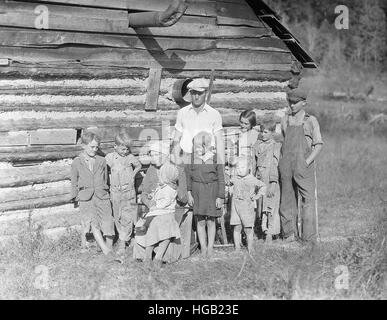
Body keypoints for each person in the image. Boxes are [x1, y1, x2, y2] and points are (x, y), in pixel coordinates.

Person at [279, 87, 323, 244]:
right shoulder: (285, 120)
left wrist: (306, 162)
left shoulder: (310, 120)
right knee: (287, 199)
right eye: (290, 102)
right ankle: (289, 234)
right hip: (286, 165)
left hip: (303, 165)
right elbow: (285, 140)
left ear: (304, 103)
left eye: (295, 103)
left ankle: (308, 238)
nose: (291, 106)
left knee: (308, 201)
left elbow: (318, 145)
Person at [133, 140, 187, 265]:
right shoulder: (152, 169)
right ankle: (147, 256)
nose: (152, 159)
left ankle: (158, 256)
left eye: (155, 155)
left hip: (170, 209)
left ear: (164, 155)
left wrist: (173, 189)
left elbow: (182, 197)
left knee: (161, 221)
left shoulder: (176, 169)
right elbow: (144, 193)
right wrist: (149, 203)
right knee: (150, 222)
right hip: (153, 208)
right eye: (151, 155)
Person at [70, 131, 115, 255]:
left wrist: (105, 190)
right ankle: (86, 246)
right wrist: (74, 197)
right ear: (83, 145)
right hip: (86, 196)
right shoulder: (77, 162)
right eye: (92, 147)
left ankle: (108, 247)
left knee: (107, 220)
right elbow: (74, 181)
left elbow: (105, 178)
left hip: (101, 194)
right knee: (89, 221)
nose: (95, 149)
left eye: (97, 147)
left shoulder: (101, 160)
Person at [185, 131, 225, 258]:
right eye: (195, 147)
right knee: (200, 221)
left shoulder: (215, 158)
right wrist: (189, 194)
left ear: (207, 146)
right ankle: (203, 248)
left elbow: (221, 178)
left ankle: (210, 248)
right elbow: (188, 178)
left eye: (199, 147)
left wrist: (220, 196)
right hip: (197, 192)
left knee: (211, 221)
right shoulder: (191, 159)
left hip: (212, 191)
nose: (196, 149)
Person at [135, 163, 181, 269]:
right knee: (149, 228)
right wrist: (152, 196)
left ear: (165, 177)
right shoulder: (163, 186)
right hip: (159, 214)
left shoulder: (170, 189)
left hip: (164, 213)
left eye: (160, 175)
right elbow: (157, 196)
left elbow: (165, 202)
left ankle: (157, 257)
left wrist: (155, 205)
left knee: (156, 229)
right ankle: (148, 256)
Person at [173, 78, 225, 166]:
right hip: (186, 157)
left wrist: (221, 164)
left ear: (206, 93)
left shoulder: (214, 114)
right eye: (194, 93)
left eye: (200, 93)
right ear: (190, 93)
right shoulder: (182, 112)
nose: (196, 97)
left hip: (206, 159)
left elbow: (219, 141)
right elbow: (177, 137)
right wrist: (177, 158)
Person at [105, 131, 141, 255]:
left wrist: (132, 175)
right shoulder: (110, 158)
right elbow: (105, 169)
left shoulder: (130, 157)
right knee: (117, 216)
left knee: (128, 215)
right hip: (115, 191)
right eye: (123, 149)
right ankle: (127, 238)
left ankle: (122, 243)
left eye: (127, 149)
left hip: (128, 191)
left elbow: (138, 166)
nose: (125, 151)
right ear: (115, 146)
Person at [229, 156, 266, 253]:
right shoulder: (234, 179)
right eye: (238, 168)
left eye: (242, 168)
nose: (240, 170)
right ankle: (237, 248)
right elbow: (229, 184)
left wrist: (257, 196)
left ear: (248, 168)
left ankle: (250, 247)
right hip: (236, 207)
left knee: (248, 229)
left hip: (247, 208)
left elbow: (263, 186)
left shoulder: (252, 179)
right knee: (237, 227)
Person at [252, 121, 281, 242]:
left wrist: (273, 184)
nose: (262, 134)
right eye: (261, 131)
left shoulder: (275, 146)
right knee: (261, 206)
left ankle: (271, 232)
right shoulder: (257, 145)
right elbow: (253, 163)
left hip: (270, 178)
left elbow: (275, 165)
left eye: (266, 132)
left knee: (270, 206)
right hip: (260, 179)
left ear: (272, 133)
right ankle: (261, 230)